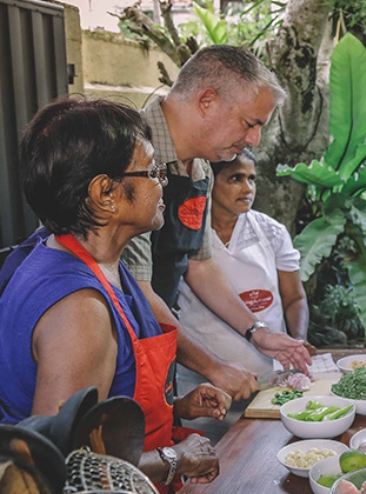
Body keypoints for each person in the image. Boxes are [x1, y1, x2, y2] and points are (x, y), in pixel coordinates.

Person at [0, 98, 224, 490]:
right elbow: (61, 471)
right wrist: (176, 458)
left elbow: (100, 401)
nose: (164, 182)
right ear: (106, 193)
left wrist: (170, 410)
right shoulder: (79, 312)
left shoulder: (93, 258)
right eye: (153, 171)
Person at [122, 45, 312, 396]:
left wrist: (257, 332)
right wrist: (214, 367)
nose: (253, 140)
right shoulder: (130, 158)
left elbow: (201, 263)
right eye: (249, 123)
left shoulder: (201, 167)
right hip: (119, 353)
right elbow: (137, 293)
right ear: (207, 101)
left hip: (162, 350)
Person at [176, 148, 308, 440]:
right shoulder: (185, 233)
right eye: (236, 178)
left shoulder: (271, 232)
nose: (247, 188)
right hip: (204, 386)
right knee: (207, 469)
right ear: (209, 180)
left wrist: (297, 343)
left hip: (268, 380)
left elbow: (295, 298)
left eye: (252, 179)